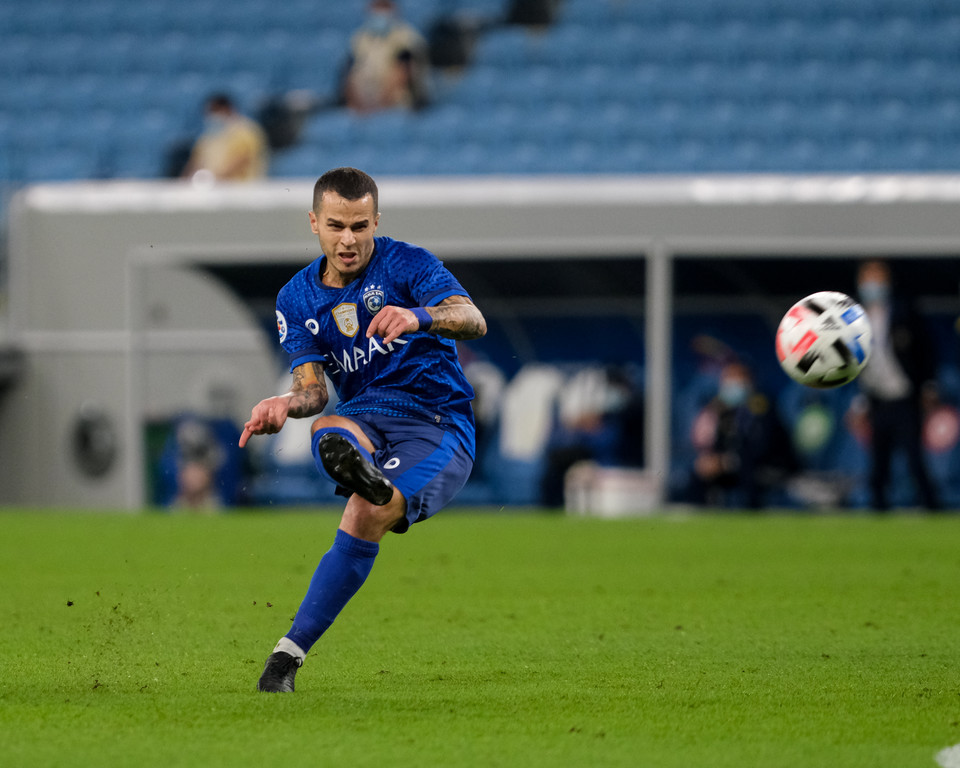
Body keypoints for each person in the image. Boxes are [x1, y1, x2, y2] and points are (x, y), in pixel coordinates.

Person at [239, 167, 486, 692]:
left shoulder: (408, 263)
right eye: (335, 225)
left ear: (376, 221)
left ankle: (284, 661)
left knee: (364, 512)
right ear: (314, 223)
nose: (348, 239)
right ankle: (359, 467)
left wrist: (419, 316)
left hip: (436, 421)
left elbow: (472, 317)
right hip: (368, 411)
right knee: (326, 423)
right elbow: (314, 391)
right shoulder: (296, 299)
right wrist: (284, 402)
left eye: (359, 226)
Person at [852, 259, 940, 511]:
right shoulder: (853, 316)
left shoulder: (905, 310)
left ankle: (932, 509)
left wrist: (928, 385)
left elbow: (926, 349)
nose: (873, 283)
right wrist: (859, 401)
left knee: (914, 459)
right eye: (868, 277)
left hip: (904, 397)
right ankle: (878, 511)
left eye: (877, 277)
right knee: (878, 463)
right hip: (876, 399)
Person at [687, 361, 796, 509]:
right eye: (728, 378)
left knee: (748, 471)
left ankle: (752, 519)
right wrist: (714, 459)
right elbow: (721, 442)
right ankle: (700, 517)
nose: (732, 384)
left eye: (737, 378)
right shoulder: (724, 410)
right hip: (734, 466)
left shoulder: (763, 407)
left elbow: (761, 446)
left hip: (765, 466)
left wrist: (728, 461)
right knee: (700, 471)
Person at [342, 0, 431, 113]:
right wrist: (357, 105)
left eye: (383, 14)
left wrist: (380, 105)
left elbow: (402, 73)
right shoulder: (360, 38)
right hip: (364, 101)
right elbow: (349, 75)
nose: (379, 18)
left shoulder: (405, 37)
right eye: (376, 13)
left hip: (397, 103)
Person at [181, 94, 269, 182]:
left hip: (241, 189)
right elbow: (194, 163)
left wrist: (214, 179)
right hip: (213, 189)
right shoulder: (207, 138)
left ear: (227, 109)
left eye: (215, 111)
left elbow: (242, 160)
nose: (212, 117)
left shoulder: (246, 132)